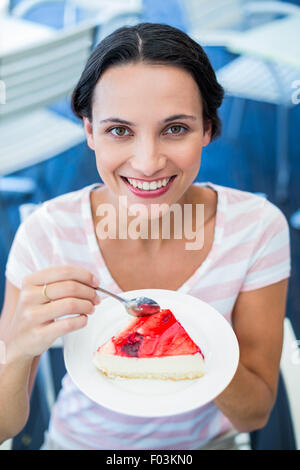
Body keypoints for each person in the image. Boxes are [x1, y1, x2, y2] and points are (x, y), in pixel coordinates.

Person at [0, 23, 290, 450]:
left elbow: (254, 413)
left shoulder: (257, 229)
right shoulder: (48, 234)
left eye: (175, 128)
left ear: (208, 129)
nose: (148, 162)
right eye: (120, 130)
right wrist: (18, 351)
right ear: (89, 131)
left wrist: (191, 340)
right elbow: (5, 428)